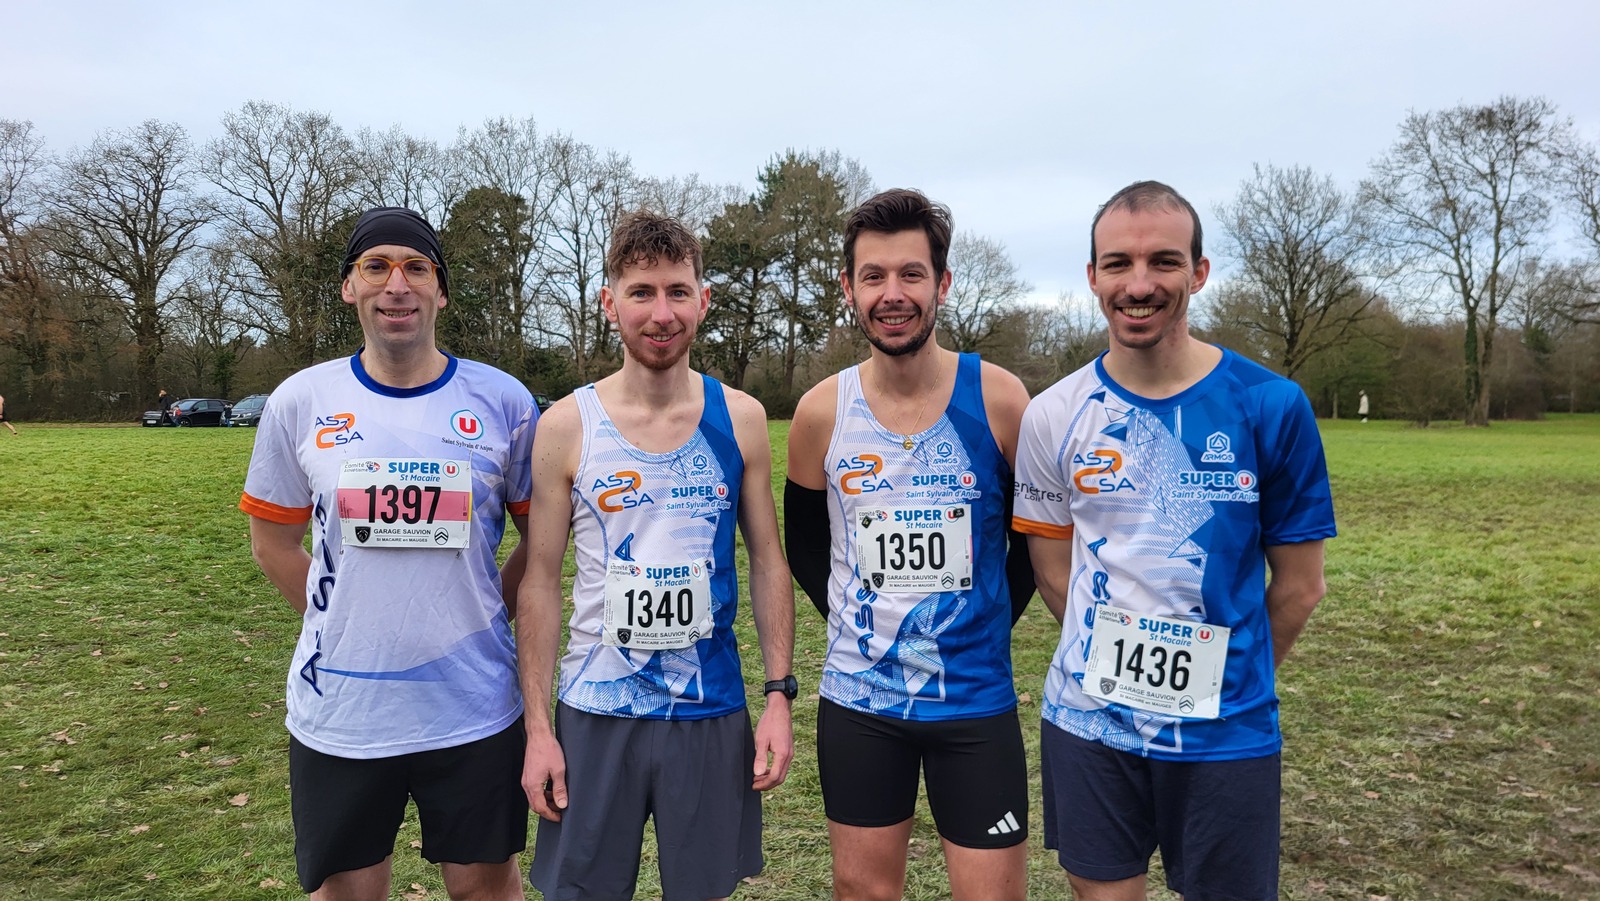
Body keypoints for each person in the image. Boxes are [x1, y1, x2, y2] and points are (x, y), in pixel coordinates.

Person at [1011, 181, 1336, 901]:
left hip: (1228, 730)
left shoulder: (1272, 405)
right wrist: (1122, 670)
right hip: (1089, 722)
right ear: (1092, 276)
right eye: (1118, 264)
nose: (1139, 284)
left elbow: (1300, 585)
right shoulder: (1052, 415)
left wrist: (1218, 679)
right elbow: (1053, 573)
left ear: (1199, 271)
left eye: (1163, 261)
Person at [239, 207, 535, 900]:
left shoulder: (505, 401)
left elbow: (543, 544)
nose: (396, 284)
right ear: (349, 286)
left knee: (486, 888)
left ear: (441, 290)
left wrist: (489, 611)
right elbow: (272, 543)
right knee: (347, 893)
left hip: (473, 703)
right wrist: (342, 619)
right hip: (342, 707)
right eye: (376, 267)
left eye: (416, 268)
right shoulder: (300, 400)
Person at [518, 211, 795, 901]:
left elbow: (768, 561)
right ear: (609, 303)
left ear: (704, 300)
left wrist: (779, 697)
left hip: (708, 708)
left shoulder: (741, 418)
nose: (661, 313)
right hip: (595, 709)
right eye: (641, 292)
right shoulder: (566, 425)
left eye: (678, 291)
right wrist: (538, 729)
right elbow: (540, 583)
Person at [785, 189, 1034, 901]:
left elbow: (1029, 548)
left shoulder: (1003, 400)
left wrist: (980, 629)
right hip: (861, 702)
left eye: (911, 274)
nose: (892, 294)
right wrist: (864, 628)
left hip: (975, 699)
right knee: (863, 891)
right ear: (849, 288)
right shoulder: (820, 411)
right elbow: (806, 544)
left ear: (942, 283)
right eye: (874, 276)